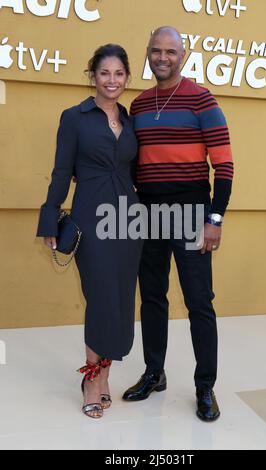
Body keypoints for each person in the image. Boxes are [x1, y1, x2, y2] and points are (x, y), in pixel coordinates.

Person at [122, 27, 234, 422]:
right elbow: (133, 162)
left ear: (182, 56)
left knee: (199, 302)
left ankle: (205, 387)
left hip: (191, 211)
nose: (163, 57)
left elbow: (224, 166)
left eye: (170, 51)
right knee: (151, 297)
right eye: (156, 50)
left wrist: (214, 219)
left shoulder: (202, 99)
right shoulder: (137, 104)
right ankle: (155, 373)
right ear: (148, 54)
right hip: (148, 212)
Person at [36, 44, 143, 419]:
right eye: (104, 73)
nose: (111, 81)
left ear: (126, 78)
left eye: (118, 74)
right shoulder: (74, 118)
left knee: (119, 302)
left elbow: (137, 172)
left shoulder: (131, 121)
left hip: (129, 222)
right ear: (92, 76)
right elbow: (62, 171)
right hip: (91, 219)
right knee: (99, 299)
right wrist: (50, 217)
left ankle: (106, 374)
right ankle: (92, 382)